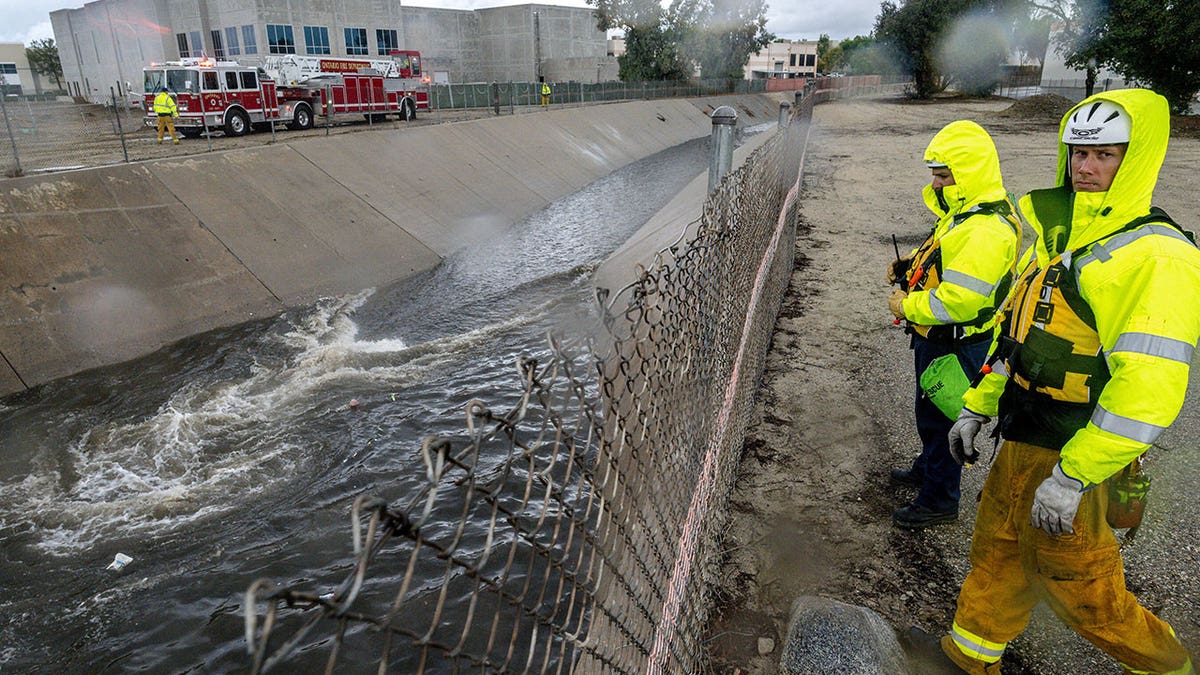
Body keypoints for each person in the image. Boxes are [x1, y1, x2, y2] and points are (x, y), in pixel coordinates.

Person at [941, 89, 1199, 673]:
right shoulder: (1059, 238)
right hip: (1023, 440)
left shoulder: (1155, 256)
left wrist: (1073, 476)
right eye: (1078, 152)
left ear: (1135, 160)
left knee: (1084, 590)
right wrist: (977, 407)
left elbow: (1146, 391)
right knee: (998, 556)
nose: (1086, 168)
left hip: (1070, 450)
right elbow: (1023, 335)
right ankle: (967, 658)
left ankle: (1173, 667)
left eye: (1105, 155)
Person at [886, 120, 1020, 529]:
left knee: (943, 419)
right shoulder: (970, 212)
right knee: (930, 413)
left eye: (944, 176)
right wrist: (913, 264)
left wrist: (908, 305)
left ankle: (939, 499)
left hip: (957, 344)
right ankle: (928, 468)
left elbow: (958, 302)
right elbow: (948, 253)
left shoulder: (986, 230)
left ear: (969, 173)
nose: (938, 184)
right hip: (941, 341)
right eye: (935, 175)